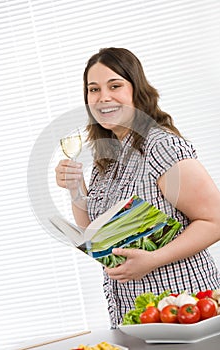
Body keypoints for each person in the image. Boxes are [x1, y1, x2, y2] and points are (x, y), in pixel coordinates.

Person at [55, 47, 220, 328]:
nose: (103, 97)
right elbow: (95, 235)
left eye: (115, 85)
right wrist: (75, 188)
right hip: (132, 312)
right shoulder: (106, 156)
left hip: (182, 307)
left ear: (136, 90)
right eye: (93, 89)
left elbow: (214, 219)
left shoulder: (160, 145)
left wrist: (153, 259)